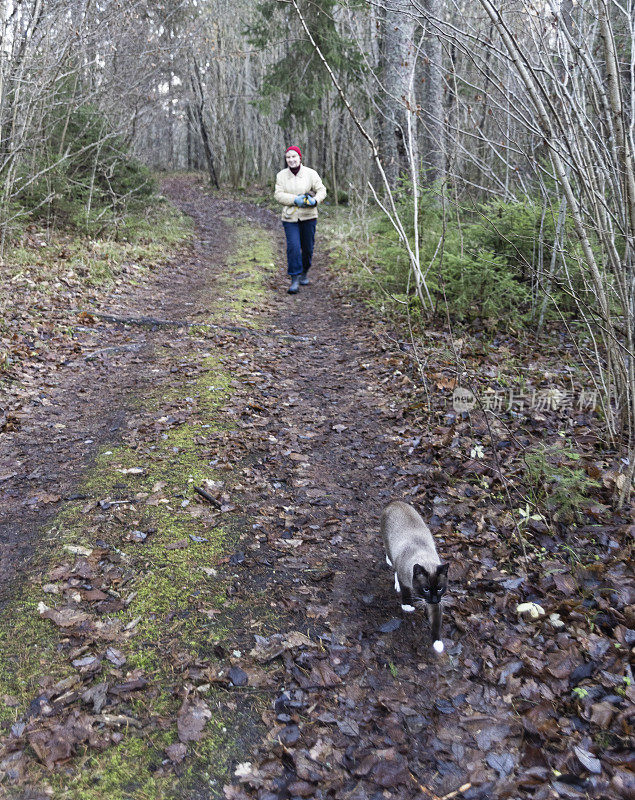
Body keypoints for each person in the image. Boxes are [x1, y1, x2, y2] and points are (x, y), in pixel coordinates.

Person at [274, 146, 327, 294]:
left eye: (294, 157)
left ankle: (304, 272)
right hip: (290, 217)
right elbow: (278, 195)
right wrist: (294, 199)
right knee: (294, 247)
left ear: (299, 157)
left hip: (309, 216)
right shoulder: (281, 175)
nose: (291, 160)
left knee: (308, 248)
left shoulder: (311, 173)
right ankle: (294, 278)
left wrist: (315, 200)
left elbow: (322, 190)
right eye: (288, 157)